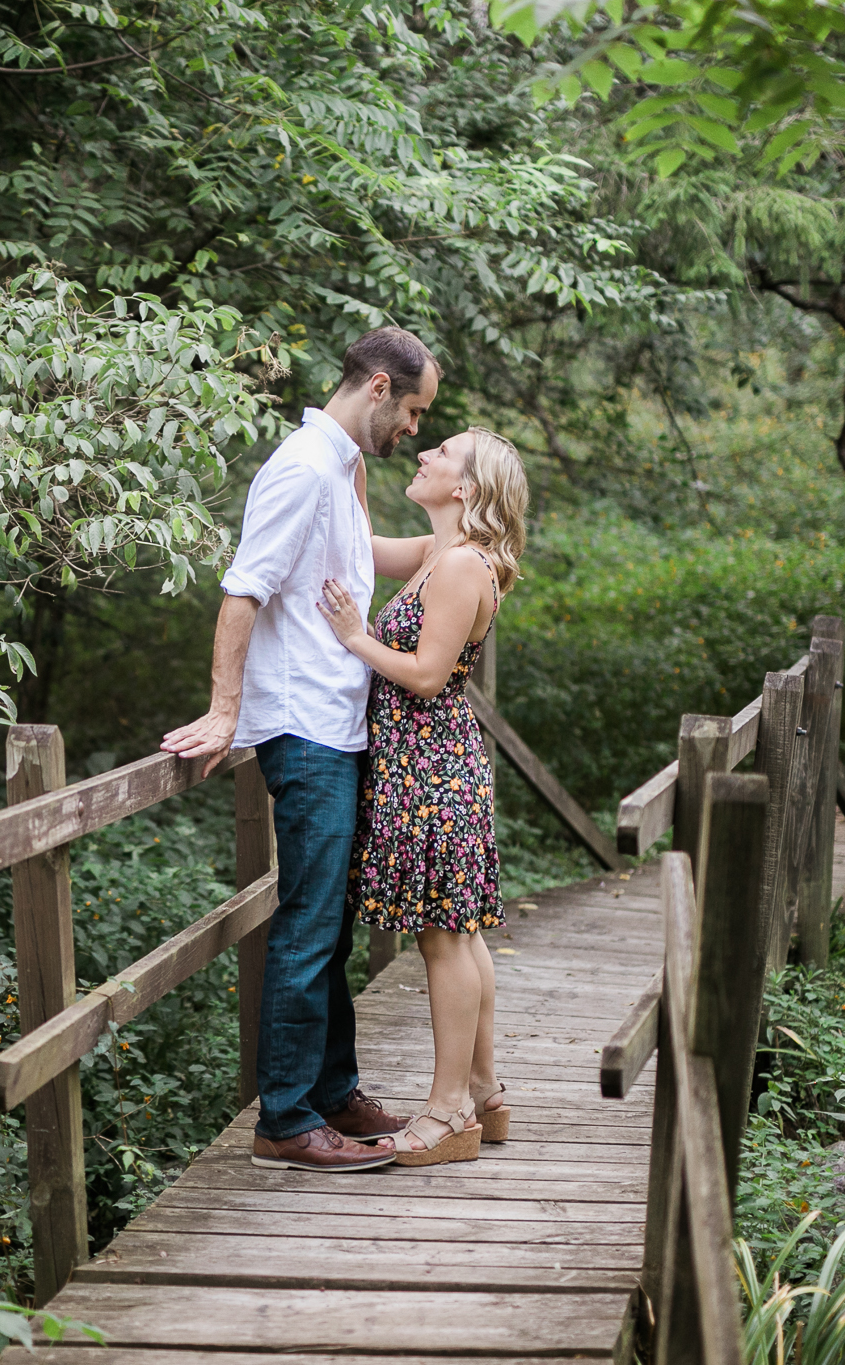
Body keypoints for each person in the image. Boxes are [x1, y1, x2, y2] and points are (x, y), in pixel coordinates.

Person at [160, 327, 439, 1173]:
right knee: (310, 923)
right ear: (382, 388)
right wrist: (224, 708)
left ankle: (332, 1088)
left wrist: (472, 540)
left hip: (339, 721)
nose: (416, 432)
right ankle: (285, 1117)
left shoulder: (344, 470)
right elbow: (243, 590)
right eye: (417, 412)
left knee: (333, 919)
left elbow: (358, 579)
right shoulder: (301, 467)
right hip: (305, 729)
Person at [316, 426, 528, 1165]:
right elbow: (357, 538)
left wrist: (353, 636)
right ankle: (485, 1090)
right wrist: (345, 456)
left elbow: (428, 674)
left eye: (441, 453)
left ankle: (448, 1113)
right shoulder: (436, 552)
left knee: (443, 936)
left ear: (465, 487)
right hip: (425, 765)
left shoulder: (463, 565)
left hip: (433, 769)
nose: (425, 454)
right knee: (459, 932)